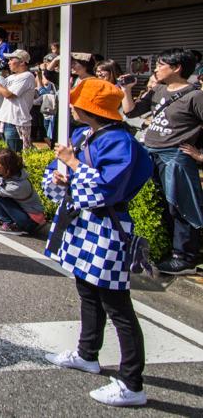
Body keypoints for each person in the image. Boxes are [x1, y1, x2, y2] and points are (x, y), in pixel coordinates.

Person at [43, 78, 154, 407]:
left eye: (78, 102)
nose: (73, 108)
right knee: (87, 292)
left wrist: (74, 165)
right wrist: (62, 175)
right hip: (83, 223)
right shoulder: (84, 134)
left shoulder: (121, 142)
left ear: (90, 108)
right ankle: (86, 352)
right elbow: (64, 174)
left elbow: (108, 189)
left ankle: (132, 384)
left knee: (117, 306)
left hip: (107, 226)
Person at [121, 48, 203, 275]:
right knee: (162, 204)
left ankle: (185, 257)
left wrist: (200, 156)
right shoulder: (158, 90)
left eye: (160, 64)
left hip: (175, 158)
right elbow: (130, 112)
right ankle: (170, 248)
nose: (155, 68)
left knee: (180, 205)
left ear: (176, 68)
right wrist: (126, 90)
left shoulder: (195, 96)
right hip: (152, 152)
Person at [0, 149, 45, 235]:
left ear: (7, 167)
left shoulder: (19, 185)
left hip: (30, 220)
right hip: (17, 208)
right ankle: (8, 218)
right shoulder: (2, 172)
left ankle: (11, 224)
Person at [0, 49, 36, 152]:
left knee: (14, 155)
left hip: (16, 122)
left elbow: (8, 94)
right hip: (4, 120)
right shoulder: (11, 77)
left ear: (22, 62)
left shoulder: (27, 76)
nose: (9, 62)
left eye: (11, 59)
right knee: (4, 156)